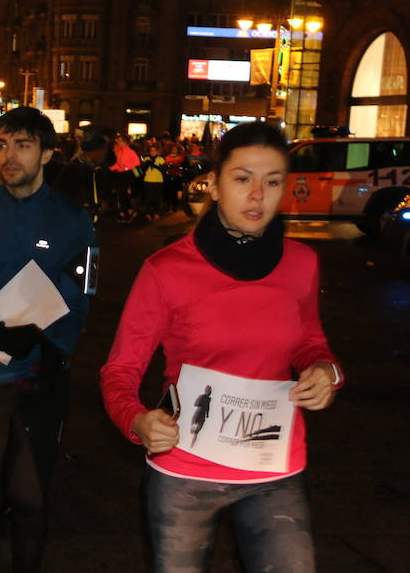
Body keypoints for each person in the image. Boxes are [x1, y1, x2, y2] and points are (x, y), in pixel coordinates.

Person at [100, 122, 343, 573]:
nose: (257, 195)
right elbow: (120, 370)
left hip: (275, 469)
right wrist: (136, 420)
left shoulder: (302, 263)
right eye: (242, 178)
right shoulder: (166, 269)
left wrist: (325, 371)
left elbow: (311, 341)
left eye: (272, 182)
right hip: (185, 470)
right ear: (212, 184)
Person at [0, 107, 94, 572]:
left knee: (30, 494)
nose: (9, 155)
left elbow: (83, 290)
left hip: (44, 371)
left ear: (47, 153)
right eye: (3, 144)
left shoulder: (74, 220)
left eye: (23, 145)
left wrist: (54, 346)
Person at [108, 133, 141, 222]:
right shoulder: (119, 152)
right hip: (121, 175)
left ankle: (126, 213)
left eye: (119, 141)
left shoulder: (131, 152)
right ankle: (128, 212)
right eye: (117, 141)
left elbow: (137, 163)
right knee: (121, 195)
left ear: (125, 142)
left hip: (128, 175)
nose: (117, 142)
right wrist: (110, 168)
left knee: (122, 195)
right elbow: (118, 164)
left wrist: (126, 167)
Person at [139, 143, 166, 221]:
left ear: (157, 151)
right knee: (148, 198)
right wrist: (146, 164)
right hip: (148, 181)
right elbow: (142, 169)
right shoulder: (146, 158)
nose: (153, 152)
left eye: (154, 150)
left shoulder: (160, 159)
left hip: (158, 181)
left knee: (156, 198)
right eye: (151, 150)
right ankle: (147, 213)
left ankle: (156, 213)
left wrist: (155, 166)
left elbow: (164, 170)